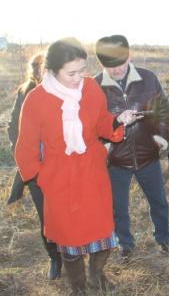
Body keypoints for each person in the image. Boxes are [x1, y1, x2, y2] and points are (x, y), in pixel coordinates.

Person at [14, 37, 139, 294]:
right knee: (70, 241)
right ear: (52, 71)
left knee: (104, 234)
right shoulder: (36, 100)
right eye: (72, 73)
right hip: (59, 178)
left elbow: (102, 122)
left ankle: (96, 274)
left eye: (82, 70)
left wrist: (117, 121)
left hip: (93, 172)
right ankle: (79, 286)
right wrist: (41, 178)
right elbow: (25, 148)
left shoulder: (91, 88)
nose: (80, 77)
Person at [94, 35, 169, 258]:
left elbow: (164, 112)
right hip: (115, 161)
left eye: (120, 64)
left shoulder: (148, 78)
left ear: (129, 56)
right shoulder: (94, 86)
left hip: (149, 154)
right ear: (100, 64)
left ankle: (164, 239)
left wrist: (162, 137)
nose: (117, 70)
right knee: (118, 208)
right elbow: (90, 126)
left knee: (159, 202)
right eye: (110, 66)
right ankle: (125, 245)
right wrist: (105, 145)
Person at [7, 53, 62, 280]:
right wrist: (24, 154)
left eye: (49, 69)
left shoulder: (65, 92)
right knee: (46, 218)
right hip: (36, 172)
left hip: (62, 168)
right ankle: (55, 259)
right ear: (36, 71)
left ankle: (71, 254)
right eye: (42, 69)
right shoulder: (26, 92)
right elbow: (12, 127)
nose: (46, 73)